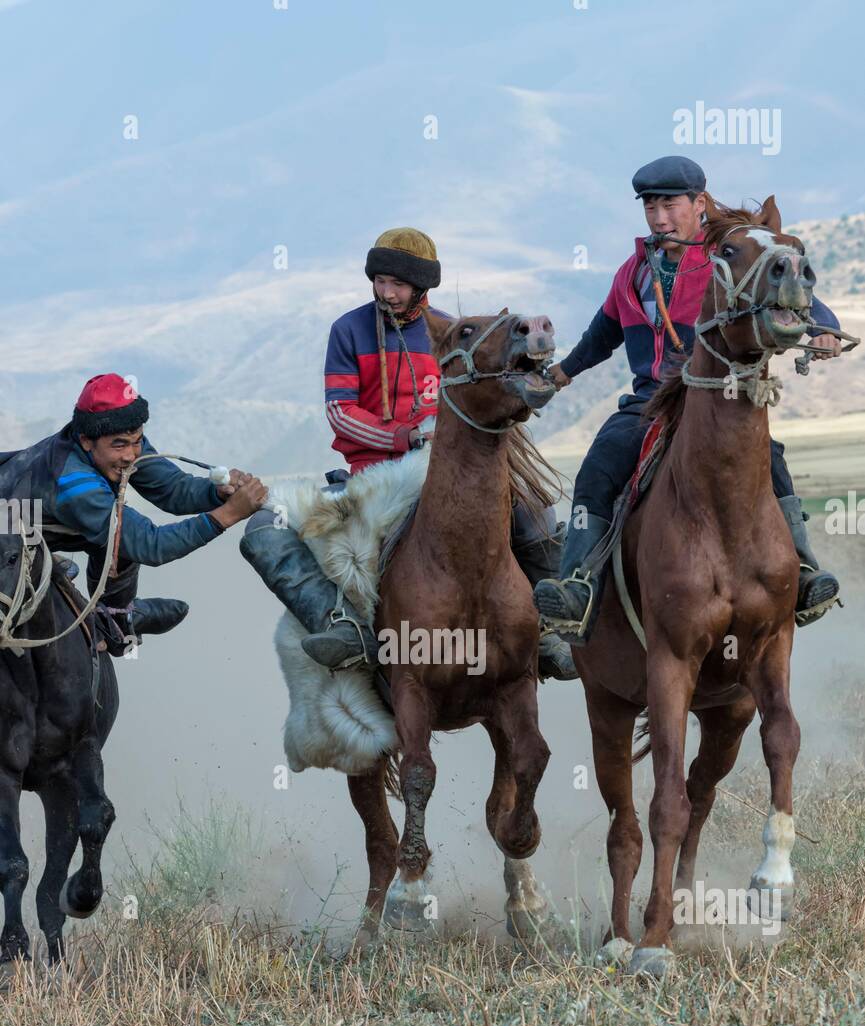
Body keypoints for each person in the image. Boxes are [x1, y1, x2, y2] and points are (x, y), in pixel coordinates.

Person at [240, 227, 577, 680]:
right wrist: (405, 437)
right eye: (379, 281)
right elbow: (340, 413)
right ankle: (340, 626)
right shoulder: (348, 330)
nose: (386, 292)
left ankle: (549, 630)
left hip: (448, 468)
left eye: (397, 284)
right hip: (369, 475)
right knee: (266, 527)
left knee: (534, 507)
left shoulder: (450, 334)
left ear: (421, 286)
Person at [533, 156, 843, 642]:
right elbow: (603, 334)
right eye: (650, 206)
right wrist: (562, 374)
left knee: (771, 460)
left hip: (719, 399)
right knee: (598, 464)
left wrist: (824, 328)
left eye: (670, 204)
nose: (659, 217)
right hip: (650, 402)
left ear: (699, 204)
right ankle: (577, 586)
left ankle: (802, 570)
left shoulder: (731, 258)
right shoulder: (632, 272)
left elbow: (789, 289)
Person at [0, 373, 266, 654]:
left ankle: (115, 619)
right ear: (86, 441)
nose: (130, 455)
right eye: (119, 445)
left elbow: (171, 489)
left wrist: (217, 492)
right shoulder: (74, 485)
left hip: (35, 527)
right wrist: (228, 514)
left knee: (120, 531)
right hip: (8, 543)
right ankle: (109, 620)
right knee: (123, 535)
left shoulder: (122, 437)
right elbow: (151, 545)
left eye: (136, 441)